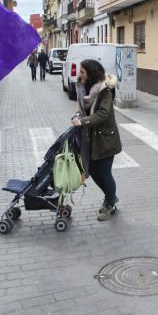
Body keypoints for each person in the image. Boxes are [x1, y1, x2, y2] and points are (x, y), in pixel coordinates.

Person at [70, 59, 122, 220]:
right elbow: (85, 111)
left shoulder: (104, 90)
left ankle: (110, 204)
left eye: (83, 72)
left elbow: (103, 113)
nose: (80, 75)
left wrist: (83, 122)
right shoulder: (84, 89)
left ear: (91, 74)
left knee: (105, 173)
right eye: (80, 71)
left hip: (105, 138)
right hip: (90, 138)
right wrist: (79, 116)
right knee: (92, 171)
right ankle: (110, 197)